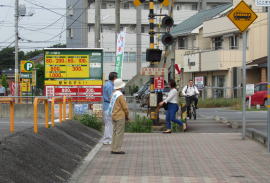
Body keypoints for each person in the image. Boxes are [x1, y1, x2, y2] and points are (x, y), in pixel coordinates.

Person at [107, 79, 129, 154]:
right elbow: (125, 107)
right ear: (121, 86)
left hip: (113, 115)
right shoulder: (120, 95)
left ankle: (113, 148)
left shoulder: (113, 94)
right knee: (119, 133)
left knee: (114, 132)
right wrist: (127, 115)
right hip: (120, 116)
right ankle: (117, 149)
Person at [102, 72, 118, 145]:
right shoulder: (110, 86)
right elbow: (111, 97)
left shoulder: (107, 84)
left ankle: (106, 139)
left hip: (106, 106)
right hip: (109, 106)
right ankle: (109, 139)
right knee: (110, 123)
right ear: (114, 78)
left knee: (108, 124)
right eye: (116, 77)